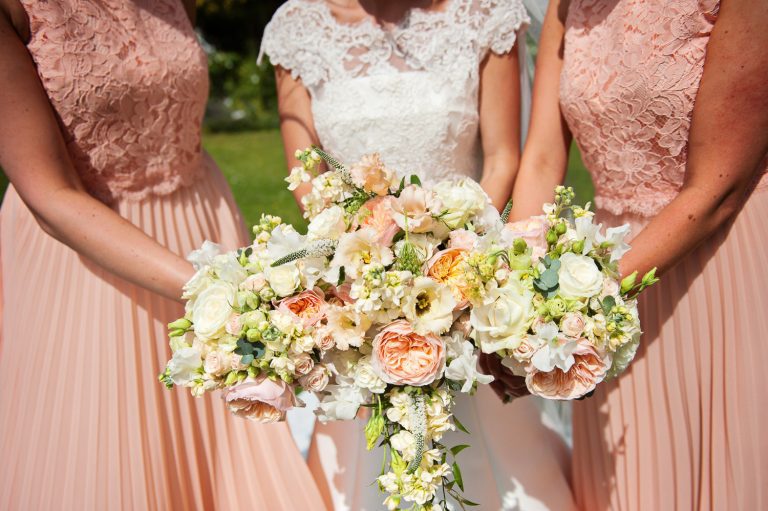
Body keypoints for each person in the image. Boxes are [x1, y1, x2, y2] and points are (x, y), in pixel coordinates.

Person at [0, 0, 324, 508]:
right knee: (115, 450)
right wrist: (217, 288)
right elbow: (50, 196)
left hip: (201, 220)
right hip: (90, 252)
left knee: (222, 445)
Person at [260, 1, 576, 509]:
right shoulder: (297, 26)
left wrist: (449, 253)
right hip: (358, 281)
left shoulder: (485, 13)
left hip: (466, 272)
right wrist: (366, 263)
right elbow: (307, 173)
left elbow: (502, 158)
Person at [492, 0, 768, 508]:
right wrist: (513, 300)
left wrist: (579, 308)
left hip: (718, 266)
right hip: (602, 280)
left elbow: (716, 193)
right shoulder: (566, 6)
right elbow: (543, 159)